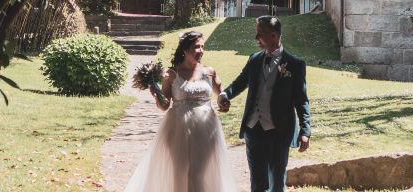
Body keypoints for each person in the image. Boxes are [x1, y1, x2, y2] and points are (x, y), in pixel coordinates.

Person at [124, 31, 237, 192]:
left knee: (198, 173)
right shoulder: (171, 75)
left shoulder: (209, 72)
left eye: (202, 47)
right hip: (178, 129)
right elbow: (164, 106)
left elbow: (221, 95)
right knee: (180, 172)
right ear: (184, 49)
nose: (201, 51)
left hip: (206, 129)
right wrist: (157, 95)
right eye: (196, 47)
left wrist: (224, 102)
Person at [217, 15, 311, 192]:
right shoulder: (254, 59)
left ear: (274, 35)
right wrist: (225, 94)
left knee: (276, 181)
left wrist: (305, 131)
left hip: (280, 130)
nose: (256, 38)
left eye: (261, 34)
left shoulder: (295, 65)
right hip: (253, 129)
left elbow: (301, 100)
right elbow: (240, 82)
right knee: (258, 183)